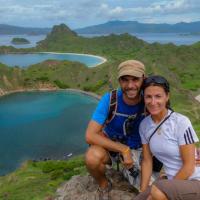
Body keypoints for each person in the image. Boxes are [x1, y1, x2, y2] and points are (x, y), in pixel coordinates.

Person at [85, 60, 146, 200]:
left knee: (148, 190)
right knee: (92, 157)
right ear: (119, 80)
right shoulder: (110, 100)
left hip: (139, 149)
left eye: (135, 79)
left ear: (144, 78)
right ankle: (104, 185)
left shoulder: (149, 100)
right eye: (125, 80)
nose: (130, 85)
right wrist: (123, 149)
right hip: (112, 147)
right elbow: (90, 135)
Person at [135, 75, 200, 200]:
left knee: (157, 192)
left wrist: (165, 189)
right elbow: (147, 160)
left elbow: (189, 166)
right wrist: (142, 190)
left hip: (195, 180)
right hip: (171, 182)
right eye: (148, 97)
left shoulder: (180, 122)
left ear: (167, 96)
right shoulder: (144, 125)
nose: (153, 102)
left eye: (158, 96)